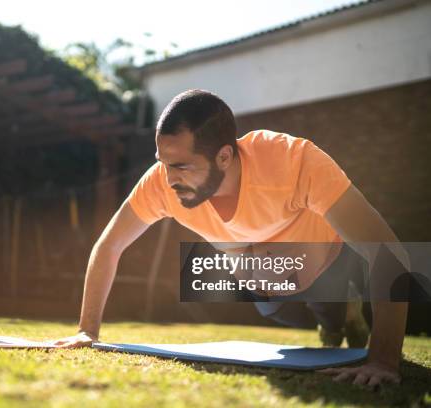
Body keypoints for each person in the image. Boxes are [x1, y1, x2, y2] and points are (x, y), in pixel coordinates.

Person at [52, 89, 408, 387]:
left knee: (329, 310)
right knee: (284, 310)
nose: (168, 177)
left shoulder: (294, 162)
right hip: (265, 287)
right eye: (162, 161)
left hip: (324, 268)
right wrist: (88, 331)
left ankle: (344, 313)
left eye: (181, 166)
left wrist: (384, 361)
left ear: (224, 156)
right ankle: (333, 323)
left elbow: (388, 252)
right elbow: (110, 245)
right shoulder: (162, 182)